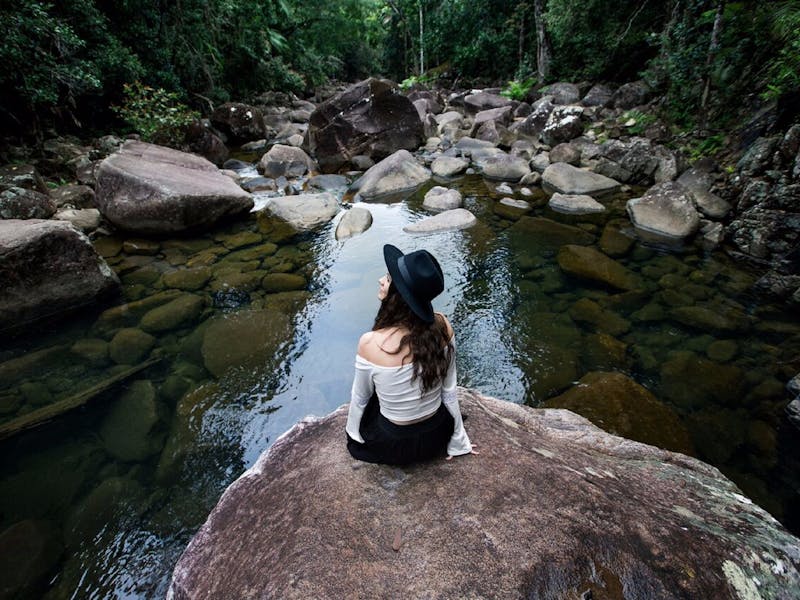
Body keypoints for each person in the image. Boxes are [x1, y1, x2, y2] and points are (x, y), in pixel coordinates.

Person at [345, 244, 477, 465]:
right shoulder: (443, 325)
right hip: (436, 436)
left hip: (394, 446)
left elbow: (361, 398)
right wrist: (458, 439)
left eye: (387, 278)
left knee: (375, 396)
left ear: (399, 295)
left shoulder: (371, 343)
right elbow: (450, 390)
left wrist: (354, 435)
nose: (380, 280)